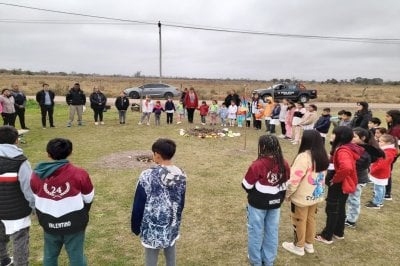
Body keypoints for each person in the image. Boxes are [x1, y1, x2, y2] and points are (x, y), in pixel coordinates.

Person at [30, 138, 94, 266]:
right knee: (76, 256)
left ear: (48, 154)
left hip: (49, 223)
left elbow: (34, 197)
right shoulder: (80, 174)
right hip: (74, 223)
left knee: (49, 256)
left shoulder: (36, 175)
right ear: (70, 152)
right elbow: (88, 197)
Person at [131, 138, 186, 266]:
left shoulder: (147, 175)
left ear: (157, 155)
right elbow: (181, 200)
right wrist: (177, 217)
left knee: (151, 256)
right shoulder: (181, 174)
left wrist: (135, 225)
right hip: (172, 221)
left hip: (152, 225)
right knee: (170, 249)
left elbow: (139, 203)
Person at [242, 135, 290, 266]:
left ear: (262, 147)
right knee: (272, 231)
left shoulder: (257, 164)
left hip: (257, 204)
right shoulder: (284, 163)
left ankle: (256, 261)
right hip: (276, 203)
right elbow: (286, 184)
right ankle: (269, 261)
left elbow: (246, 185)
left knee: (255, 232)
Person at [282, 130, 329, 256]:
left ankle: (299, 246)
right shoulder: (323, 155)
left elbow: (294, 180)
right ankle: (309, 244)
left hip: (301, 197)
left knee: (299, 220)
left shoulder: (303, 157)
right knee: (310, 219)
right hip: (315, 195)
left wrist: (287, 194)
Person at [315, 126, 361, 244]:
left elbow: (346, 167)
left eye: (334, 134)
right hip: (345, 182)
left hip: (340, 183)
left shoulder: (342, 150)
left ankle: (327, 235)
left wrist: (335, 179)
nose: (331, 135)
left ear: (340, 136)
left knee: (332, 208)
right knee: (340, 207)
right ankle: (338, 232)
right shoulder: (347, 147)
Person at [0, 125, 35, 266]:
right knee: (20, 239)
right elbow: (29, 188)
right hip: (17, 210)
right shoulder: (20, 161)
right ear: (16, 140)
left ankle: (3, 260)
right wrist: (35, 207)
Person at [345, 127, 384, 227]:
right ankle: (349, 216)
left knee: (354, 199)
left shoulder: (364, 150)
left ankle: (351, 220)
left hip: (358, 179)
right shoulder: (355, 146)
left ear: (363, 138)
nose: (351, 138)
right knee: (350, 198)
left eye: (354, 137)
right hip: (353, 178)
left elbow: (358, 164)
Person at [366, 134, 398, 209]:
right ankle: (379, 201)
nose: (378, 143)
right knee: (381, 187)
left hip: (380, 173)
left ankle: (377, 203)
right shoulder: (387, 150)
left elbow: (381, 165)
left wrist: (372, 170)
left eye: (381, 142)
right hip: (381, 172)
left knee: (378, 188)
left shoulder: (387, 152)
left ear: (388, 143)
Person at [384, 110, 400, 200]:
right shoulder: (393, 127)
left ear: (393, 117)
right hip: (391, 151)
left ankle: (387, 193)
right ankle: (384, 189)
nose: (386, 118)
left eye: (387, 116)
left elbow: (395, 141)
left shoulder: (396, 129)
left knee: (387, 170)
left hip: (391, 152)